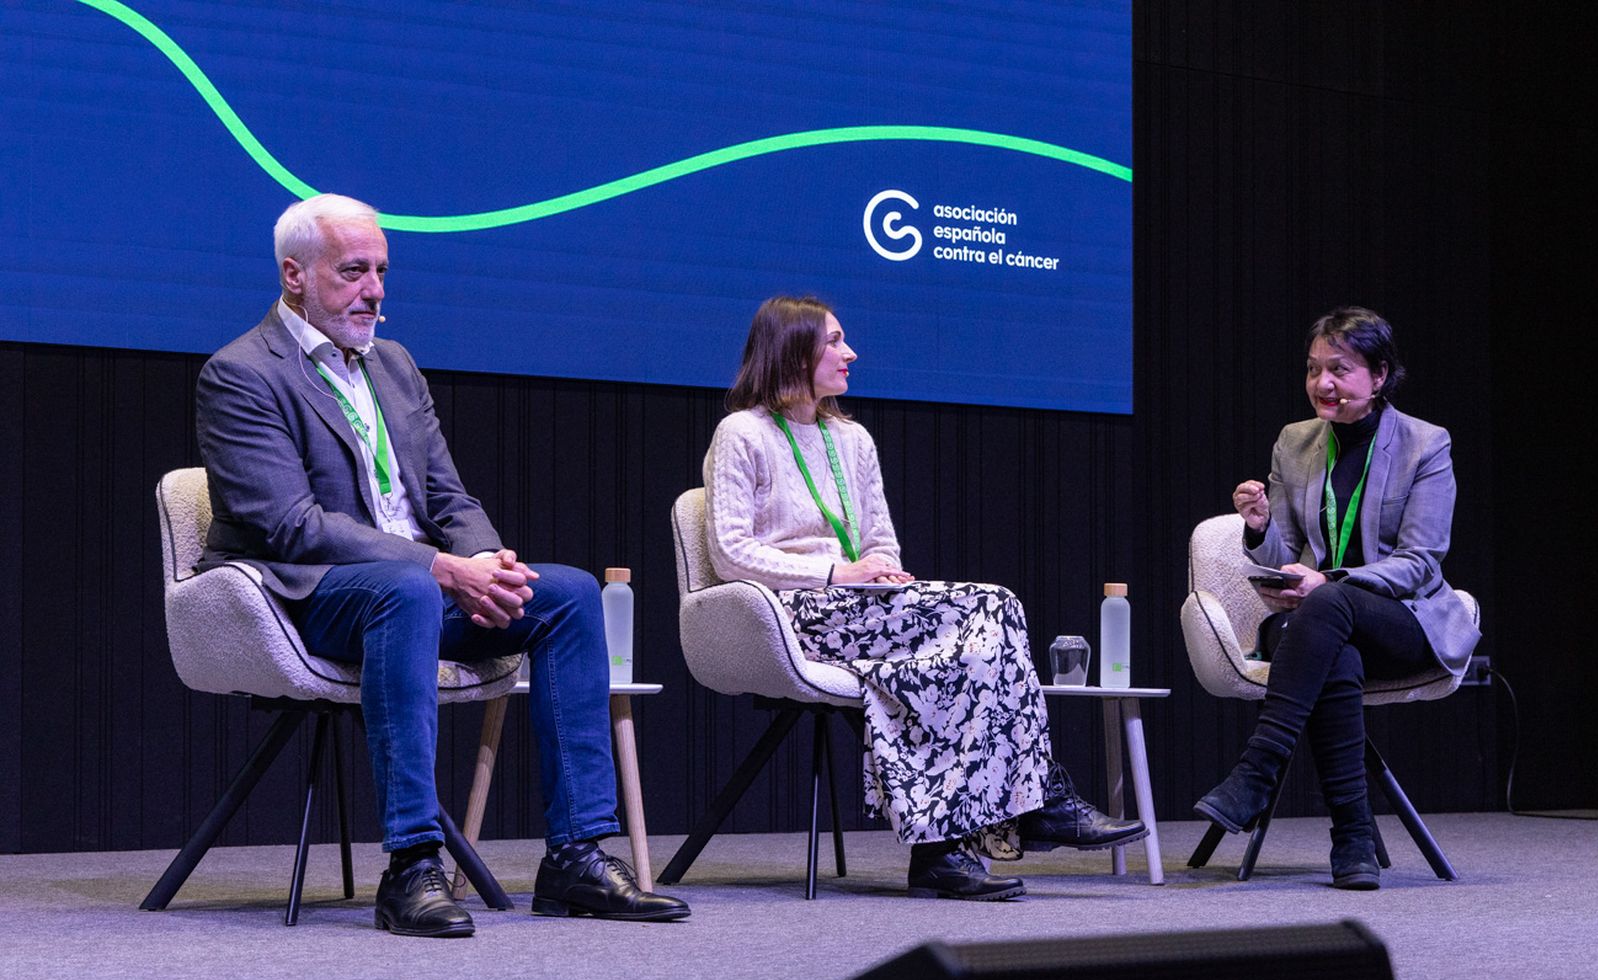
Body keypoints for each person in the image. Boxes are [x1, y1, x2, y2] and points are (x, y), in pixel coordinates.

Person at [195, 194, 689, 935]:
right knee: (406, 590)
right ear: (295, 275)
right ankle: (413, 864)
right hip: (310, 598)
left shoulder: (393, 365)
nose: (375, 289)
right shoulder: (240, 373)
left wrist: (485, 560)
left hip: (417, 587)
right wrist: (439, 568)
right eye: (354, 271)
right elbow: (292, 526)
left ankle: (577, 854)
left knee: (569, 595)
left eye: (382, 271)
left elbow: (447, 495)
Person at [702, 295, 1147, 901]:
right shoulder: (741, 433)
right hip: (791, 614)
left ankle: (951, 850)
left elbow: (881, 540)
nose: (849, 352)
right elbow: (730, 551)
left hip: (861, 607)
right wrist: (839, 574)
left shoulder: (851, 439)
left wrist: (884, 575)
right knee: (988, 610)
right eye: (833, 341)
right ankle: (1033, 799)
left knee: (983, 627)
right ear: (792, 350)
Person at [1194, 307, 1480, 889]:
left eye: (1340, 370)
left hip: (1402, 621)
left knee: (1330, 607)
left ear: (1378, 376)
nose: (1323, 384)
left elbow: (1421, 562)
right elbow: (1289, 555)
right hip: (1321, 628)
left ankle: (1257, 770)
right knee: (1334, 651)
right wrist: (1258, 529)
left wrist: (1331, 582)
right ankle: (1352, 840)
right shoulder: (1294, 443)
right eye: (1314, 369)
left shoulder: (1427, 445)